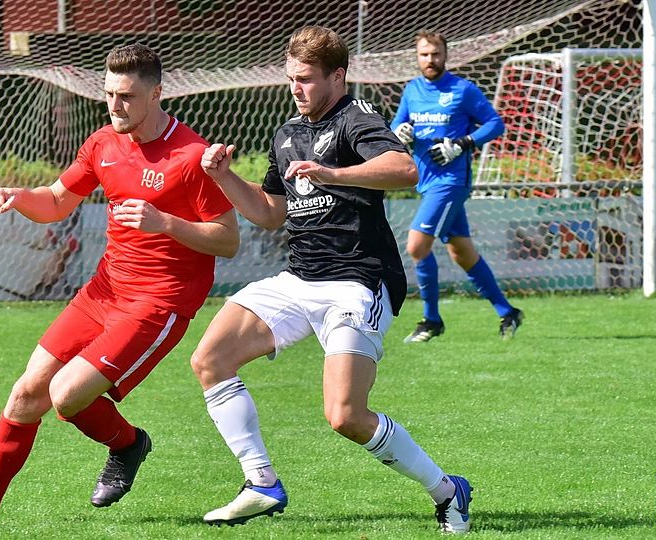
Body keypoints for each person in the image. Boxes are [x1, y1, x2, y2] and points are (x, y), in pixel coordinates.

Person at [193, 25, 474, 534]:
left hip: (357, 280)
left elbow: (404, 168)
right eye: (290, 78)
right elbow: (271, 212)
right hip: (299, 278)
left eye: (305, 79)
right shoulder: (286, 133)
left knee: (345, 416)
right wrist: (224, 177)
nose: (295, 88)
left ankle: (447, 490)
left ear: (337, 77)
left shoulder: (356, 117)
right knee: (210, 360)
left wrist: (333, 174)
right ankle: (261, 483)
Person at [0, 44, 239, 519]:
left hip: (158, 303)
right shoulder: (103, 144)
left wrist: (165, 223)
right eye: (109, 94)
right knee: (27, 392)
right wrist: (17, 196)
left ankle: (127, 444)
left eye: (126, 96)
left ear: (156, 93)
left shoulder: (192, 156)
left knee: (67, 395)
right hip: (103, 291)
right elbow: (55, 201)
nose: (115, 105)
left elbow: (228, 240)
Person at [390, 31, 523, 343]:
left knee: (416, 246)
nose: (430, 60)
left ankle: (431, 320)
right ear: (417, 57)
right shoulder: (412, 90)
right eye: (424, 54)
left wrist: (463, 143)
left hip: (451, 182)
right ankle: (508, 312)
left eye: (435, 54)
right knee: (461, 252)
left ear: (446, 55)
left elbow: (495, 124)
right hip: (427, 181)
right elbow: (397, 124)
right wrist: (400, 132)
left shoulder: (463, 90)